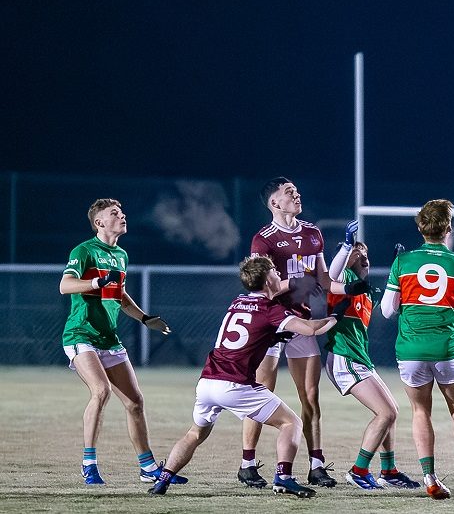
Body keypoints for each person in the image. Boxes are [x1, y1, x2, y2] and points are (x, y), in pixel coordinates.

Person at [147, 256, 337, 497]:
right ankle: (284, 478)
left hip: (207, 382)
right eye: (275, 273)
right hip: (235, 385)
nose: (279, 276)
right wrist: (335, 317)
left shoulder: (237, 302)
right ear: (268, 279)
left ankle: (163, 480)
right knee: (291, 423)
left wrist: (272, 336)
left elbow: (249, 332)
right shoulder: (270, 309)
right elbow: (310, 329)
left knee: (194, 433)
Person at [240, 177, 368, 488]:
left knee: (310, 395)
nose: (297, 195)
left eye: (297, 191)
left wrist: (350, 288)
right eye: (289, 193)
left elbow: (324, 281)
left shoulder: (312, 232)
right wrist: (295, 283)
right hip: (271, 322)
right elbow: (260, 288)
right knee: (260, 390)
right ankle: (247, 463)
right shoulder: (264, 240)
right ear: (275, 203)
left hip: (301, 321)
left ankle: (316, 463)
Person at [59, 198, 180, 486]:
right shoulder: (85, 250)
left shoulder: (121, 255)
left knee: (136, 402)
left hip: (108, 339)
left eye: (122, 212)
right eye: (114, 213)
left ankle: (148, 468)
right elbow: (65, 286)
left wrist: (145, 318)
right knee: (101, 392)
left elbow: (120, 295)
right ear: (99, 222)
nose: (122, 216)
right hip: (80, 334)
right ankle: (89, 464)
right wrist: (94, 284)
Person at [381, 199, 454, 499]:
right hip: (447, 349)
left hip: (412, 350)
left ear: (420, 227)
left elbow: (388, 311)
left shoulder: (402, 263)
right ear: (449, 228)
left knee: (420, 411)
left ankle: (429, 478)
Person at [324, 229, 421, 490]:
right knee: (386, 412)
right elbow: (331, 275)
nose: (364, 256)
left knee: (391, 413)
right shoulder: (341, 279)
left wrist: (399, 269)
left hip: (359, 358)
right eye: (358, 252)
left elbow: (394, 301)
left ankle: (388, 470)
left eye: (366, 253)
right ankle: (359, 470)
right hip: (344, 358)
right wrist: (346, 250)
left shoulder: (365, 291)